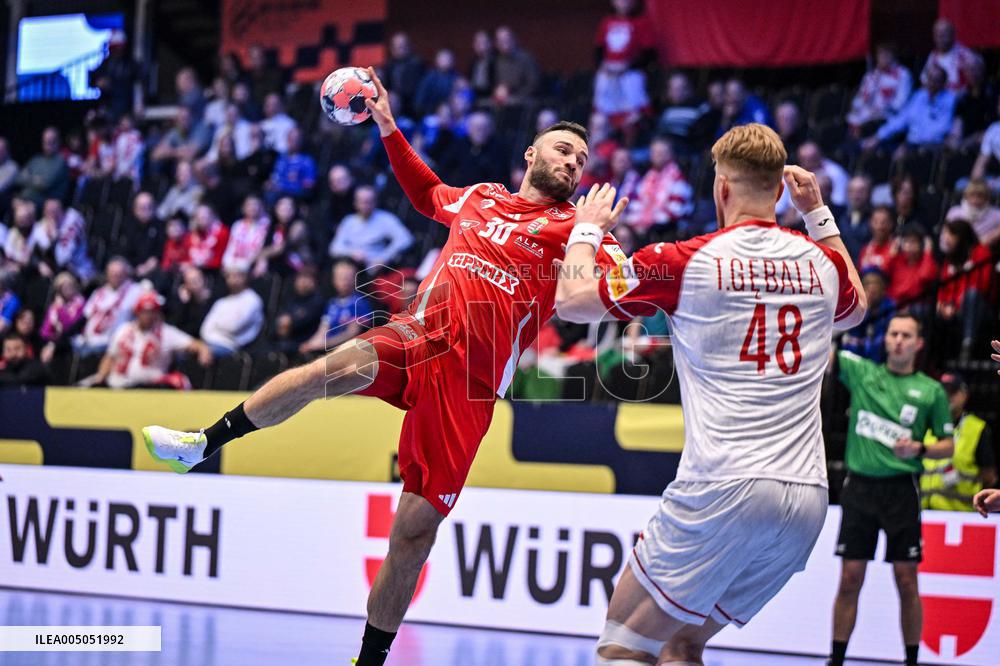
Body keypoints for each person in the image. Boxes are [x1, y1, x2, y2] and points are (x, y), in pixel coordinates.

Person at [142, 66, 627, 666]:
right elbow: (427, 195)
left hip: (469, 385)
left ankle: (368, 662)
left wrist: (594, 236)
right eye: (563, 149)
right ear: (532, 152)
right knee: (332, 368)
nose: (574, 163)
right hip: (416, 337)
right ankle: (202, 443)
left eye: (582, 159)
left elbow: (611, 293)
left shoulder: (575, 230)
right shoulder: (480, 198)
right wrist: (391, 127)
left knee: (413, 532)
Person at [555, 124, 867, 665]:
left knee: (622, 645)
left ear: (721, 189)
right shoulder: (822, 263)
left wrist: (584, 231)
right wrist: (819, 215)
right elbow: (858, 305)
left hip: (724, 485)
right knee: (682, 644)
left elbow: (574, 300)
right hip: (807, 501)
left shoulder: (684, 258)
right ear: (779, 192)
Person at [829, 314, 954, 666]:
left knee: (906, 579)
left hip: (902, 491)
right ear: (885, 340)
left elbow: (948, 446)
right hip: (860, 489)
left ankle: (911, 660)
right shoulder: (862, 373)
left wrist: (919, 449)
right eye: (893, 334)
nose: (898, 340)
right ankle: (836, 659)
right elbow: (822, 352)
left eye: (906, 335)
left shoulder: (930, 391)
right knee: (850, 577)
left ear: (918, 343)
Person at [80, 291, 212, 389]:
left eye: (152, 311)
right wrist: (100, 377)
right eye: (145, 311)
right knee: (83, 387)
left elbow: (195, 344)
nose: (148, 315)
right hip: (117, 383)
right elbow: (110, 357)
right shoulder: (124, 329)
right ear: (137, 312)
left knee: (180, 381)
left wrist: (203, 350)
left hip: (149, 387)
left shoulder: (166, 332)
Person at [921, 373, 996, 511]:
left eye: (952, 392)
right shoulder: (925, 425)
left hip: (961, 515)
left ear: (964, 395)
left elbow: (989, 476)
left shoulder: (977, 428)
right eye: (943, 393)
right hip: (925, 513)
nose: (947, 397)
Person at [328, 186, 413, 268]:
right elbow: (335, 248)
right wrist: (352, 253)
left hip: (376, 267)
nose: (365, 205)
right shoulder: (348, 221)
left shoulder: (385, 219)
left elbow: (406, 239)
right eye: (362, 201)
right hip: (352, 265)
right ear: (355, 203)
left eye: (369, 201)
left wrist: (384, 257)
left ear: (375, 202)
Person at [198, 268, 264, 356]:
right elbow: (204, 328)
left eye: (236, 275)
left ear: (245, 277)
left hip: (230, 346)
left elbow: (233, 327)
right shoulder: (222, 301)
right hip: (208, 342)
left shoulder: (252, 299)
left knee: (200, 353)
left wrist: (218, 323)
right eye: (230, 276)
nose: (233, 279)